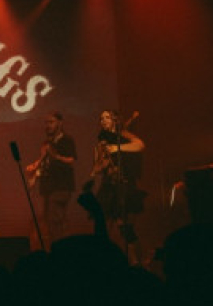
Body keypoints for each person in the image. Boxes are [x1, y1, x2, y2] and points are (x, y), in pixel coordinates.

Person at [90, 109, 146, 265]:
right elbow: (97, 168)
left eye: (106, 117)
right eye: (101, 118)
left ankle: (136, 261)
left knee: (125, 225)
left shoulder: (124, 135)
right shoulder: (101, 143)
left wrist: (117, 148)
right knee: (104, 224)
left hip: (125, 184)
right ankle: (108, 261)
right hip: (109, 186)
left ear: (114, 119)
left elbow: (140, 145)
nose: (103, 121)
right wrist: (102, 164)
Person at [25, 112, 77, 245]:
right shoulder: (47, 143)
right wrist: (34, 170)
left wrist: (56, 156)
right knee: (49, 221)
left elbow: (71, 160)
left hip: (61, 186)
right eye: (46, 123)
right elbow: (44, 161)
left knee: (55, 220)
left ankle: (60, 249)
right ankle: (57, 247)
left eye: (51, 122)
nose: (48, 126)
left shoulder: (66, 140)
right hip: (48, 187)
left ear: (60, 123)